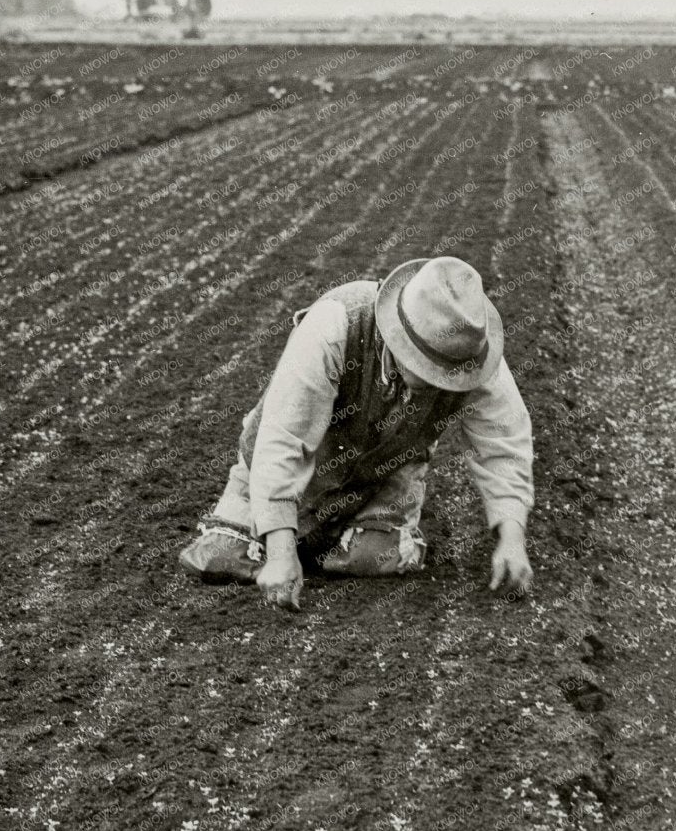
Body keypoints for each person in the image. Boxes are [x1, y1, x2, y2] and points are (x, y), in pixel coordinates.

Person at [179, 256, 535, 611]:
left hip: (380, 480)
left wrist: (512, 538)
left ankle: (337, 538)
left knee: (375, 558)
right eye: (428, 370)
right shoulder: (336, 325)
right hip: (298, 466)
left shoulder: (469, 352)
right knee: (220, 557)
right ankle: (291, 535)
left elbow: (503, 439)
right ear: (399, 339)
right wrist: (281, 553)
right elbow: (282, 439)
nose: (440, 382)